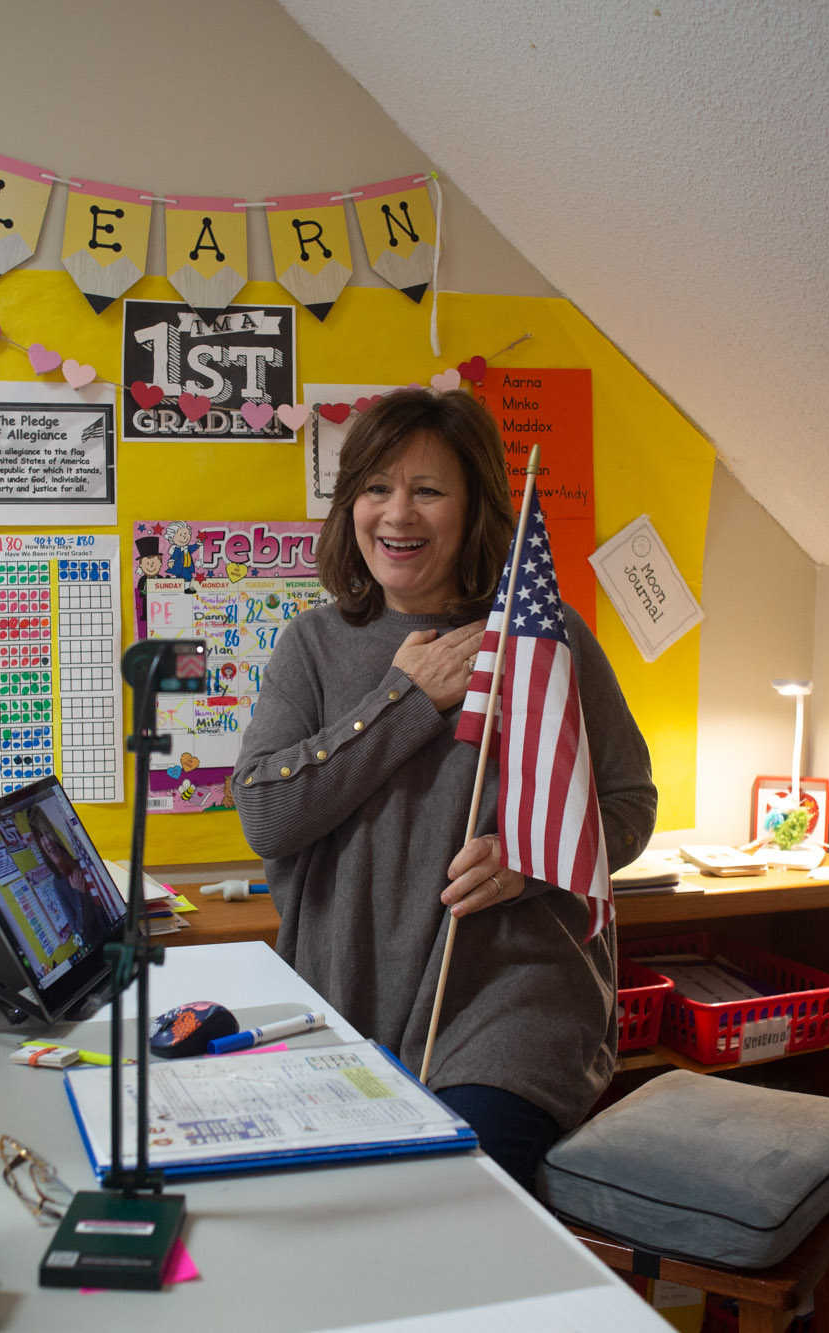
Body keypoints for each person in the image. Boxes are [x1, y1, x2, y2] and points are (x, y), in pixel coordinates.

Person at [232, 387, 656, 1190]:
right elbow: (265, 811)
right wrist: (406, 699)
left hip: (511, 1007)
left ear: (473, 509)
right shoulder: (313, 645)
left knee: (452, 1199)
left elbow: (629, 804)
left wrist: (530, 858)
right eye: (376, 488)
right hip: (345, 995)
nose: (399, 514)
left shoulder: (543, 636)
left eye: (428, 490)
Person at [29, 807, 117, 947]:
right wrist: (79, 893)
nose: (47, 841)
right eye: (40, 836)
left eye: (47, 832)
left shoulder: (87, 861)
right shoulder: (59, 884)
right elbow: (82, 938)